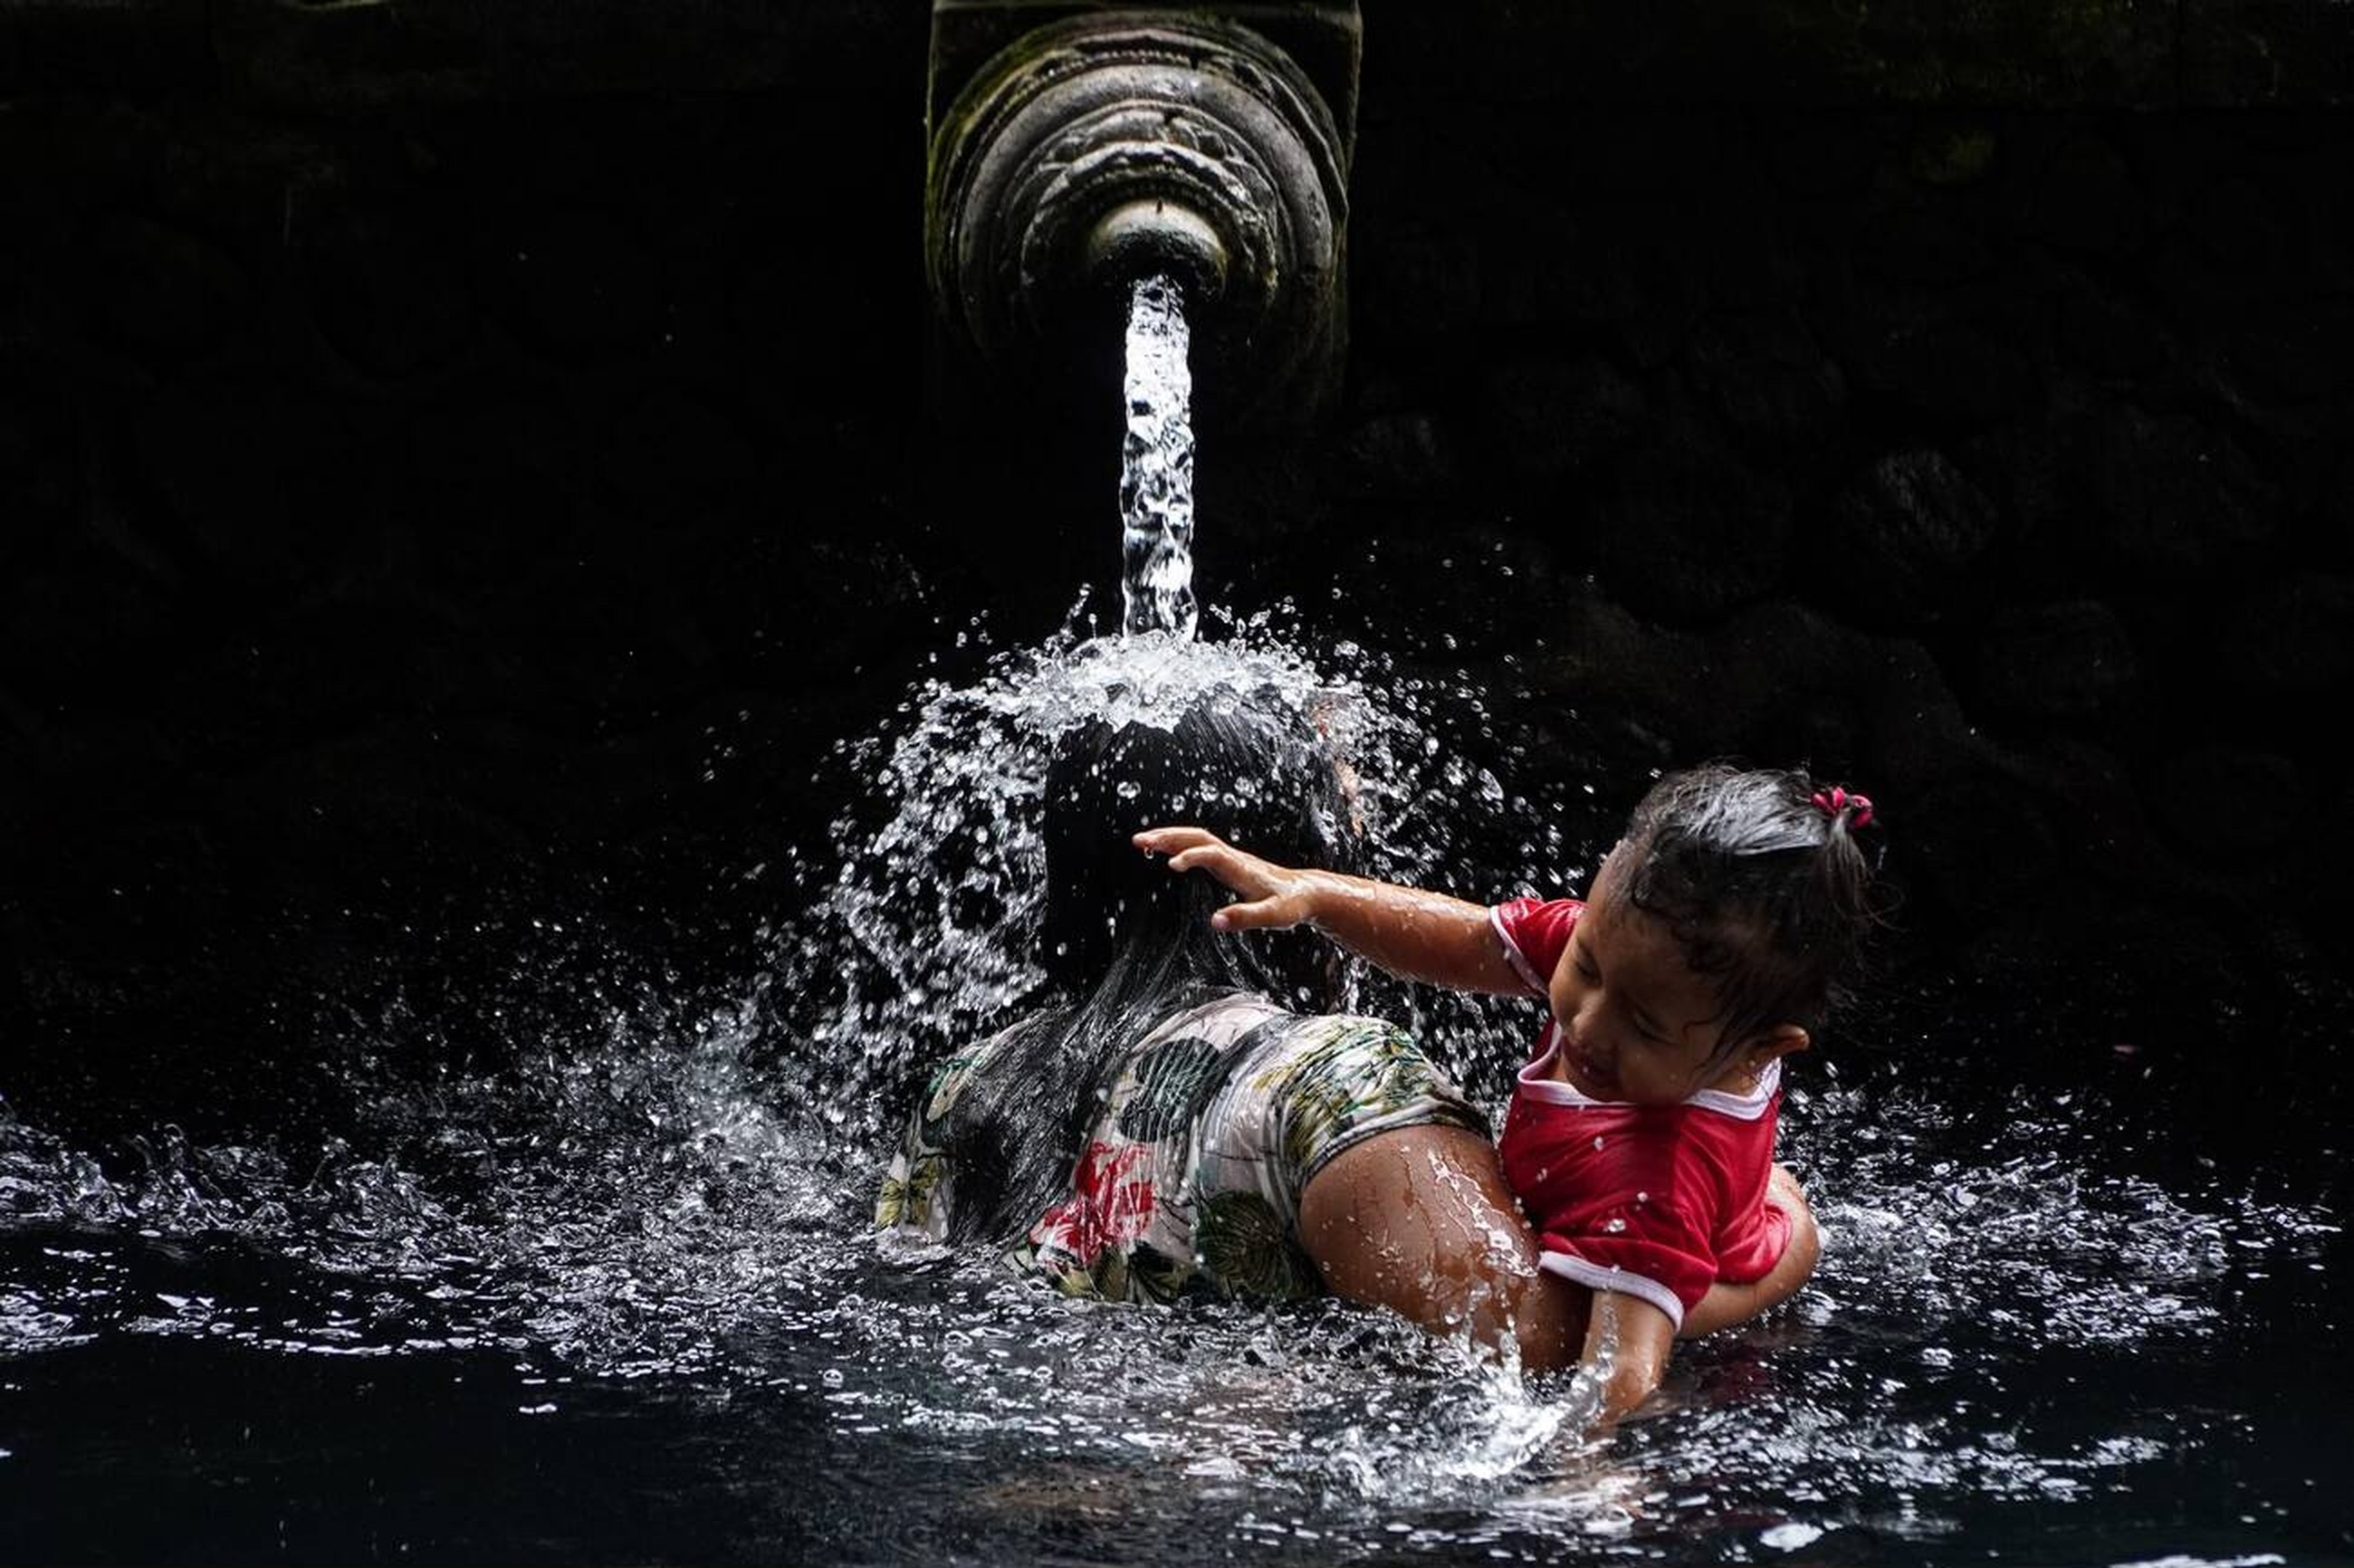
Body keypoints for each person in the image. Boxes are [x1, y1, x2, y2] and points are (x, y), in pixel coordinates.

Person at [878, 686, 1819, 1412]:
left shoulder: (966, 1084)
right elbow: (1519, 1345)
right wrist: (1780, 1253)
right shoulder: (1333, 1082)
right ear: (1283, 855)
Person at [1134, 763, 1879, 1420]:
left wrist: (1582, 1473)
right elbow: (1467, 941)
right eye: (1584, 965)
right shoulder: (1638, 963)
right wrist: (1315, 895)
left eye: (1643, 1027)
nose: (1587, 1022)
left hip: (1669, 1292)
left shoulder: (1657, 1175)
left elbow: (1620, 1369)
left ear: (1758, 1051)